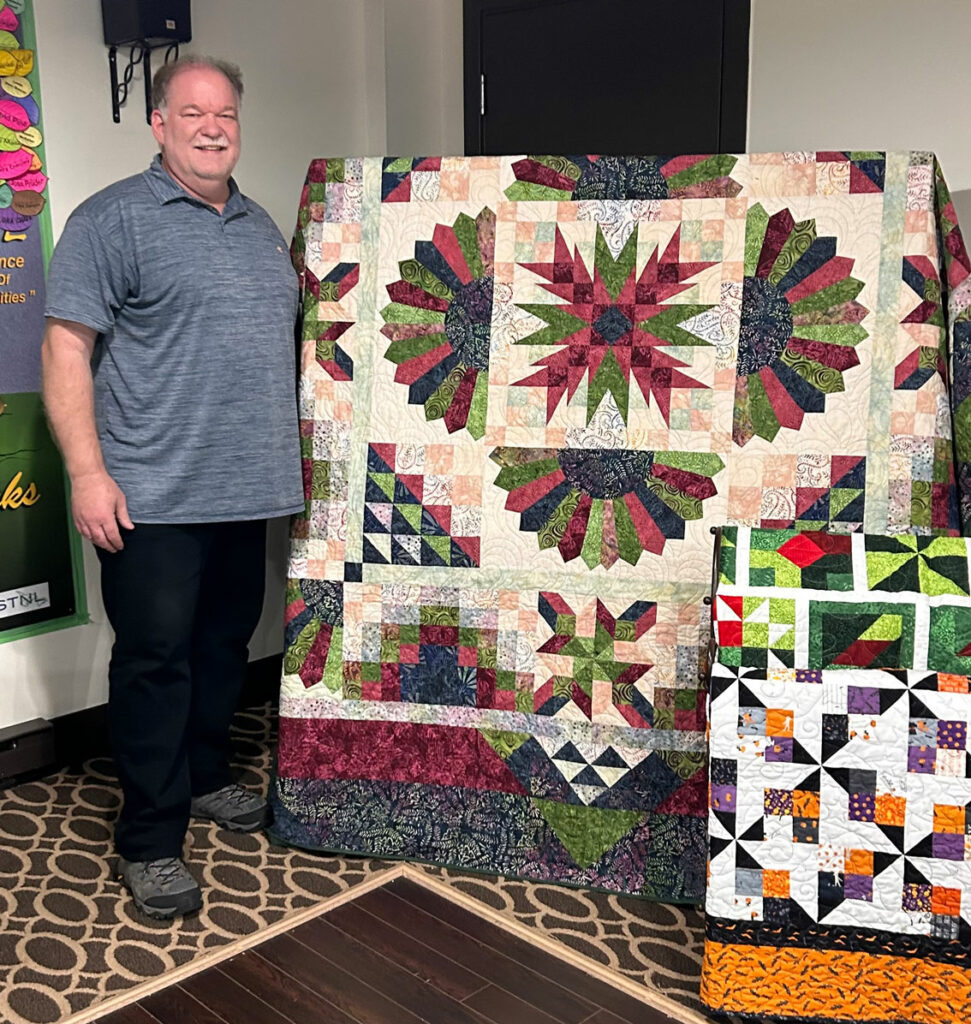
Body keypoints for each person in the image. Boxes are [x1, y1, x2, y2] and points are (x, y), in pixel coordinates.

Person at [41, 56, 303, 919]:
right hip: (150, 496)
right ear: (159, 123)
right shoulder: (111, 221)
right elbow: (65, 349)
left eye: (224, 112)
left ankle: (203, 778)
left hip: (247, 491)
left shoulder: (261, 226)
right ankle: (150, 841)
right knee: (155, 664)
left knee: (224, 648)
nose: (211, 126)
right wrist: (87, 473)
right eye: (192, 112)